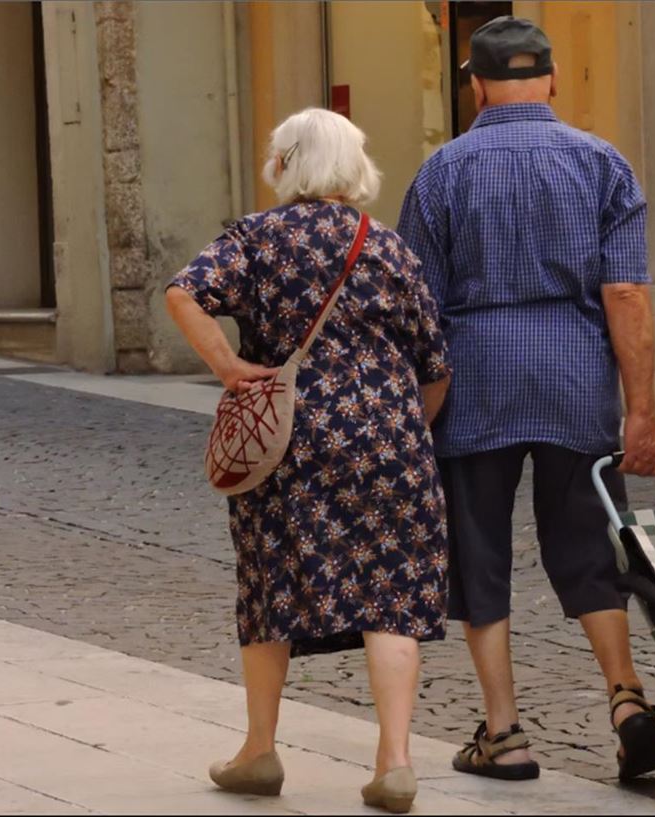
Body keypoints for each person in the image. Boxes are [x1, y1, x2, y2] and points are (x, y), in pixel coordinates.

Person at [397, 16, 655, 782]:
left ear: (477, 86)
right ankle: (626, 699)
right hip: (576, 378)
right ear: (551, 79)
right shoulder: (602, 164)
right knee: (590, 550)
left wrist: (416, 413)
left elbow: (418, 309)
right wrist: (640, 412)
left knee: (479, 552)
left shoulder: (443, 172)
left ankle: (506, 730)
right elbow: (626, 294)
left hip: (475, 379)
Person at [166, 108, 450, 814]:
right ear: (356, 166)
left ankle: (259, 750)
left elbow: (183, 292)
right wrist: (407, 427)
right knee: (394, 594)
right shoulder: (386, 246)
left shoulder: (258, 238)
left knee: (270, 585)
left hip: (289, 438)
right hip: (390, 438)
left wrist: (231, 367)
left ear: (285, 163)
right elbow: (435, 362)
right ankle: (395, 760)